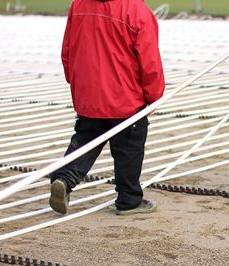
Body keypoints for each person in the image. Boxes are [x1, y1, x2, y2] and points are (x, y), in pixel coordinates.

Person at [49, 0, 165, 215]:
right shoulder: (136, 9)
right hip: (126, 97)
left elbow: (67, 49)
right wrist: (154, 96)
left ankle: (64, 180)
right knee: (128, 148)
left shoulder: (79, 5)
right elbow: (149, 61)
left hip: (89, 93)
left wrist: (75, 81)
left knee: (86, 140)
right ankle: (129, 200)